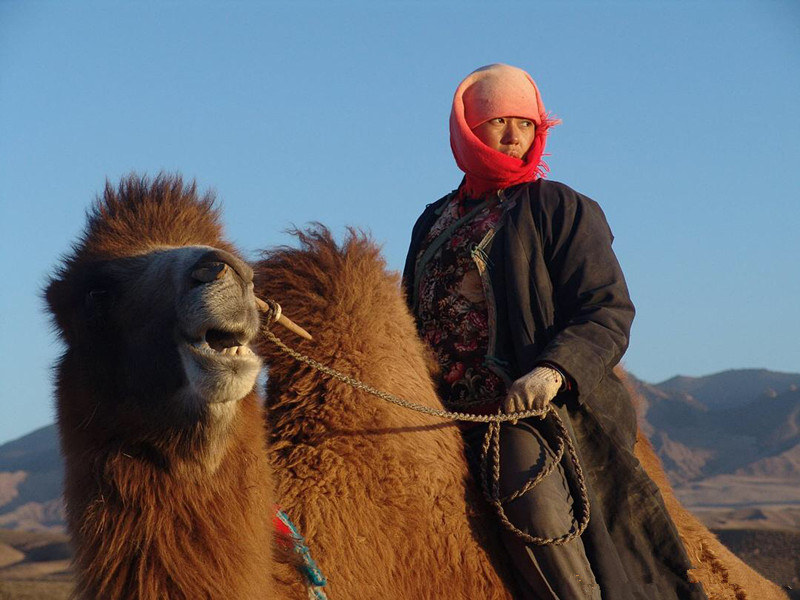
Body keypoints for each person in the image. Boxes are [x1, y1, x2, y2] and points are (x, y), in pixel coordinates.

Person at [402, 64, 707, 600]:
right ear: (469, 128)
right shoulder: (431, 220)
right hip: (433, 411)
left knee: (525, 490)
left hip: (526, 411)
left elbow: (607, 310)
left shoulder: (559, 207)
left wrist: (551, 372)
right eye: (499, 121)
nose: (515, 134)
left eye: (526, 122)